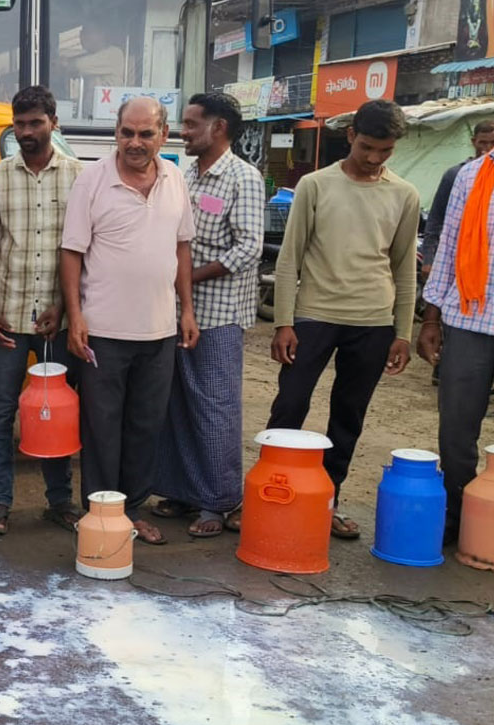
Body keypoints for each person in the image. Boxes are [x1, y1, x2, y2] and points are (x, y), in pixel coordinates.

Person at [256, 99, 418, 540]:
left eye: (385, 151)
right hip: (314, 316)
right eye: (367, 147)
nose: (374, 158)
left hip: (373, 322)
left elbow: (404, 267)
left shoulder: (404, 194)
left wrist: (402, 332)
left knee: (348, 416)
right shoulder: (314, 185)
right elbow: (289, 259)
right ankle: (269, 493)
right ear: (350, 136)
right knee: (290, 405)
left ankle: (327, 502)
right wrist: (284, 322)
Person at [60, 96, 197, 546]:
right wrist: (76, 317)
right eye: (126, 133)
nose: (135, 142)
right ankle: (100, 514)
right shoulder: (92, 180)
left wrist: (187, 310)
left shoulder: (175, 178)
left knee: (145, 425)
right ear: (116, 133)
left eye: (145, 134)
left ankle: (133, 510)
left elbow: (181, 247)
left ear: (164, 135)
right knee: (101, 428)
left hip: (159, 331)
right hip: (102, 331)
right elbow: (72, 252)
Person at [0, 85, 84, 536]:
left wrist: (63, 306)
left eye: (36, 122)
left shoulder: (79, 176)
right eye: (19, 124)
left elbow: (84, 250)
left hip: (58, 321)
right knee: (0, 413)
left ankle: (60, 501)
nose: (26, 132)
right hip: (9, 318)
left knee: (56, 412)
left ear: (54, 123)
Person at [150, 93, 264, 538]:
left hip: (218, 313)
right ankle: (181, 491)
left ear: (219, 128)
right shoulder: (187, 176)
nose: (184, 131)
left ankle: (218, 501)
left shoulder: (242, 177)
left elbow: (249, 247)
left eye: (192, 124)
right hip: (178, 310)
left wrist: (189, 278)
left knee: (214, 407)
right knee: (177, 403)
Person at [418, 133, 494, 545]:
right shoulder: (471, 175)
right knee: (456, 430)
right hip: (469, 318)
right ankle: (461, 519)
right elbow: (447, 246)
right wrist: (430, 318)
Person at [422, 121, 494, 273]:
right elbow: (436, 218)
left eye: (493, 143)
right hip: (458, 257)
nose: (488, 148)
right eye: (482, 142)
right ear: (473, 142)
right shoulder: (457, 175)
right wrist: (428, 259)